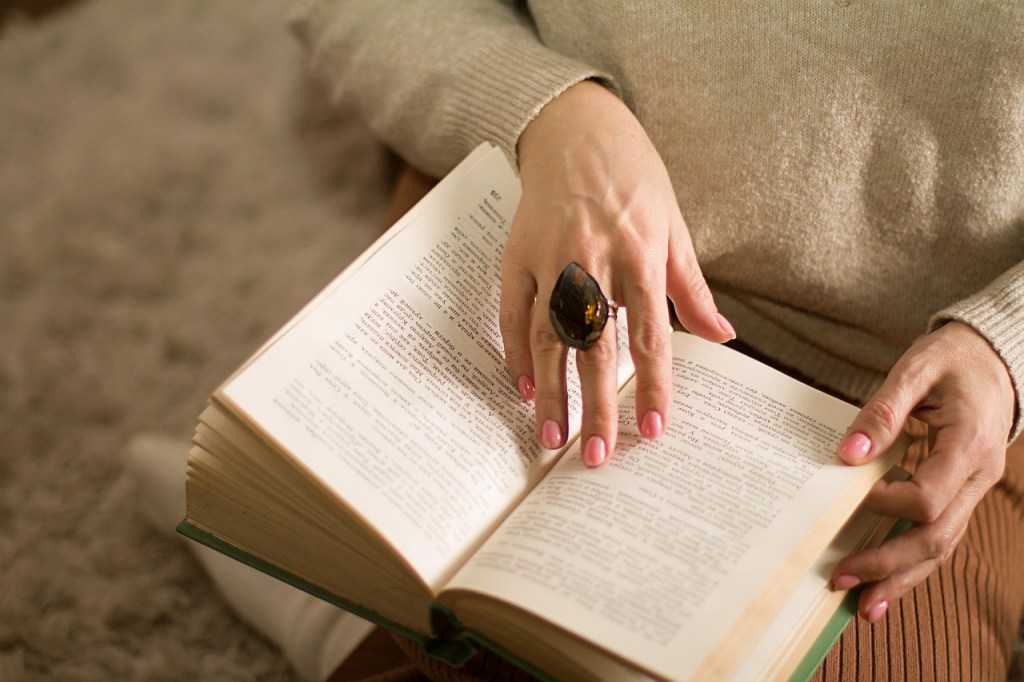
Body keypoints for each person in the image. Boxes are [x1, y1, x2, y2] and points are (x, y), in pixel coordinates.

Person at [127, 2, 1024, 680]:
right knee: (418, 563)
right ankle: (344, 590)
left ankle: (335, 624)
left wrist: (1004, 347)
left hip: (893, 387)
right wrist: (552, 112)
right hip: (543, 213)